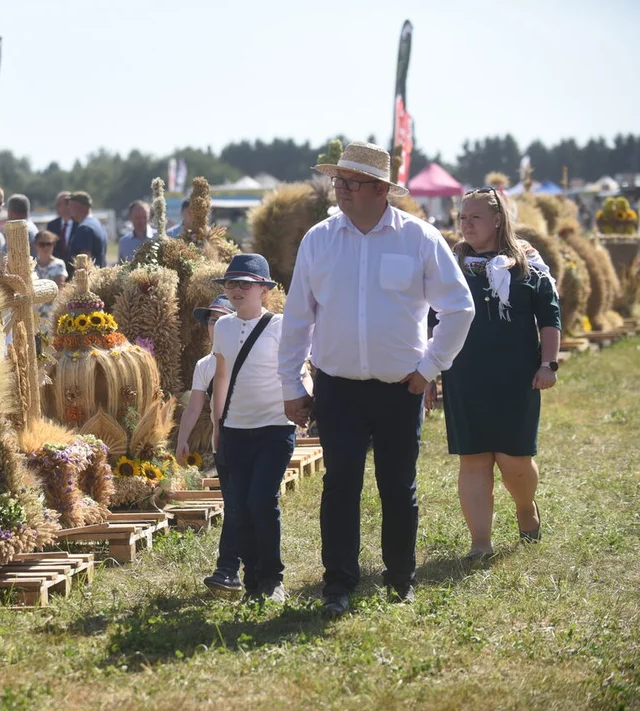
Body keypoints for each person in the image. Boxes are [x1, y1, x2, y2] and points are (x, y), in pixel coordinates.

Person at [279, 142, 475, 616]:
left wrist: (429, 368)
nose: (340, 190)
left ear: (381, 189)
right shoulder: (318, 240)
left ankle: (400, 578)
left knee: (397, 484)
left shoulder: (420, 238)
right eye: (338, 181)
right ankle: (338, 584)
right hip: (338, 387)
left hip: (399, 387)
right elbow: (297, 318)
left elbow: (459, 309)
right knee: (340, 485)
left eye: (351, 182)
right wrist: (291, 384)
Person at [426, 187, 560, 562]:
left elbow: (549, 316)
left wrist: (548, 363)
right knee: (474, 458)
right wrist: (429, 372)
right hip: (464, 374)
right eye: (462, 218)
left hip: (517, 375)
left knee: (514, 459)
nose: (466, 225)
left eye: (475, 217)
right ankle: (480, 543)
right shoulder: (449, 263)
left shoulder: (527, 262)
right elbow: (431, 320)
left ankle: (524, 506)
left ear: (498, 219)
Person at [211, 254, 298, 603]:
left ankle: (273, 579)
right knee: (242, 508)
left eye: (245, 284)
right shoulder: (223, 326)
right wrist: (218, 426)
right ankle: (252, 583)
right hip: (234, 429)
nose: (236, 290)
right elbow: (221, 376)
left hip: (275, 427)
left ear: (264, 289)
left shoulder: (280, 325)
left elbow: (296, 370)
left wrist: (301, 406)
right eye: (231, 283)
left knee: (263, 501)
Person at [174, 294, 238, 595]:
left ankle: (236, 568)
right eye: (211, 320)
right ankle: (232, 569)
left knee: (252, 506)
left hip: (259, 438)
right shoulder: (204, 365)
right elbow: (195, 406)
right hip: (223, 445)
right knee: (237, 505)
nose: (214, 325)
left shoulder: (249, 353)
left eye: (220, 318)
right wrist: (182, 439)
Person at [32, 230, 68, 331]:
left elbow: (58, 289)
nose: (46, 247)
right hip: (34, 316)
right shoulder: (30, 266)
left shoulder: (59, 264)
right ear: (35, 245)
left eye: (49, 244)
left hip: (52, 315)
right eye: (42, 244)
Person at [66, 191, 107, 275]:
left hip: (87, 281)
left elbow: (84, 262)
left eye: (70, 206)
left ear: (79, 207)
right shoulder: (97, 224)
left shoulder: (84, 228)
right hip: (97, 277)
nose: (68, 209)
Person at [46, 191, 74, 263]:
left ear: (69, 204)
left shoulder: (80, 225)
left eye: (59, 204)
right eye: (56, 204)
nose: (56, 207)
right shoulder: (52, 225)